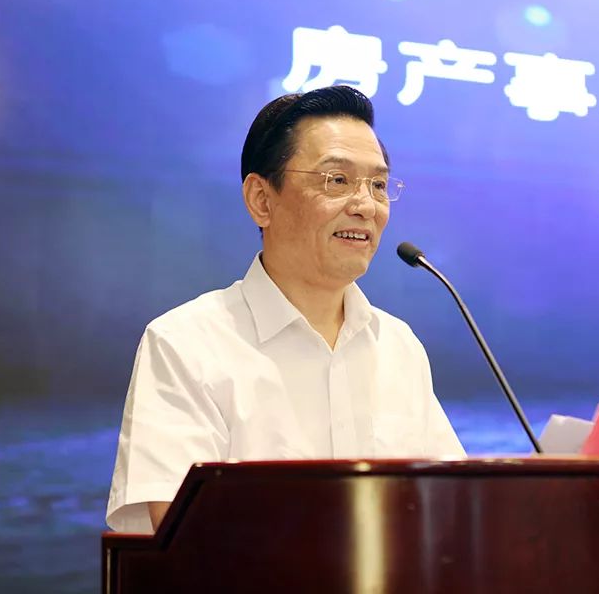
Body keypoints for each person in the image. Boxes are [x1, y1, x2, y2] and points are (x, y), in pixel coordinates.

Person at [106, 85, 464, 534]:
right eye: (337, 180)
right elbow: (188, 543)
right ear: (261, 199)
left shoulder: (398, 346)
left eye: (377, 185)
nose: (365, 206)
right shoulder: (186, 344)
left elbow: (454, 511)